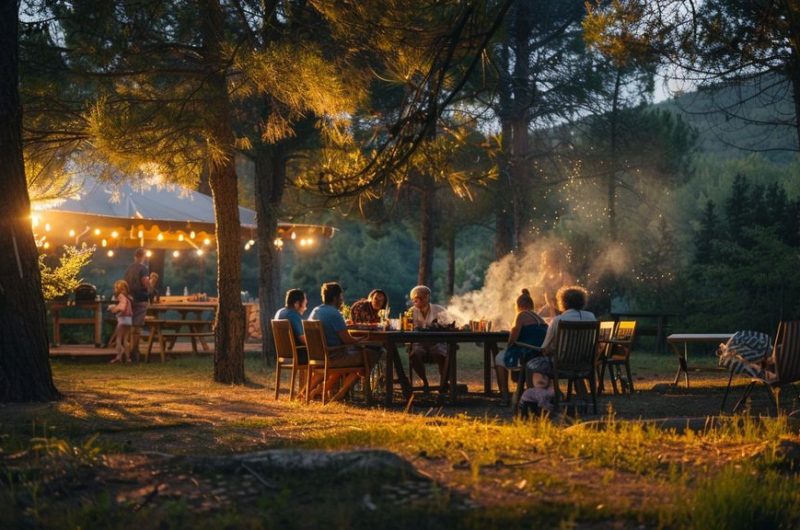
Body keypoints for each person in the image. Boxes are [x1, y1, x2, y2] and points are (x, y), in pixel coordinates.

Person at [308, 282, 380, 398]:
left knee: (360, 355)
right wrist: (362, 340)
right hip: (334, 357)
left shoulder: (315, 311)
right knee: (372, 354)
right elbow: (347, 340)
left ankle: (321, 390)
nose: (342, 300)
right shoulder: (334, 314)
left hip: (319, 356)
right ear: (336, 298)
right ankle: (341, 393)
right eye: (341, 297)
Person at [493, 288, 548, 404]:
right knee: (504, 354)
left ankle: (505, 396)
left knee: (499, 358)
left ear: (518, 305)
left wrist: (508, 347)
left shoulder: (521, 315)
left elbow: (513, 339)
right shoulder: (539, 318)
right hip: (540, 354)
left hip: (528, 354)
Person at [408, 285, 451, 392]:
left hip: (437, 342)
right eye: (415, 298)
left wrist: (439, 327)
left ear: (427, 297)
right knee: (414, 354)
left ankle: (444, 382)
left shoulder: (439, 310)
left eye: (421, 297)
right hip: (420, 343)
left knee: (442, 353)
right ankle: (424, 382)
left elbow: (449, 325)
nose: (418, 300)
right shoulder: (411, 311)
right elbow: (408, 328)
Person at [123, 248, 151, 361]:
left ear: (135, 256)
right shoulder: (143, 268)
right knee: (137, 327)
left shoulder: (129, 268)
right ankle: (135, 352)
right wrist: (151, 284)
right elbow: (145, 284)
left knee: (131, 326)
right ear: (143, 256)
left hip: (130, 299)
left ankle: (129, 352)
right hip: (140, 299)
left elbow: (124, 283)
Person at [535, 249, 576, 320]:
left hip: (562, 308)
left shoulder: (564, 276)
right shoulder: (544, 276)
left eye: (548, 260)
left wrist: (554, 310)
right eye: (544, 260)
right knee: (536, 318)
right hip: (549, 308)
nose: (545, 262)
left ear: (555, 261)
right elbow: (537, 291)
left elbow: (569, 296)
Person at [274, 288, 308, 353]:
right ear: (297, 303)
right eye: (304, 303)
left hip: (284, 353)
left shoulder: (280, 312)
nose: (305, 307)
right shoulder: (293, 315)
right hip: (299, 355)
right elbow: (303, 339)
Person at [108, 280, 133, 363]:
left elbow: (121, 307)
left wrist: (113, 309)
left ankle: (119, 356)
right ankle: (128, 358)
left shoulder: (121, 296)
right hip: (129, 320)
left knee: (118, 339)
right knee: (125, 339)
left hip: (122, 320)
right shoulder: (129, 297)